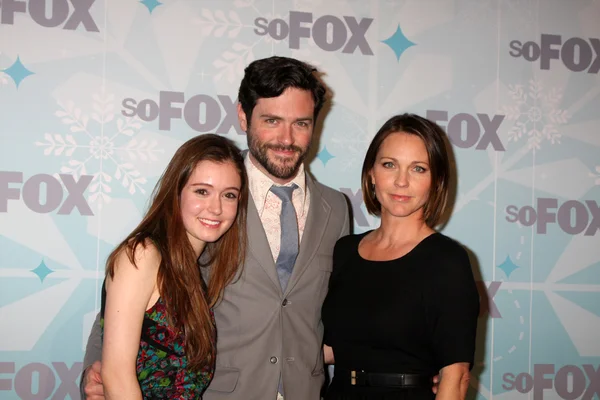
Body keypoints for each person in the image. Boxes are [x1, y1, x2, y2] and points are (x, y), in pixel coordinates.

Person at [81, 56, 351, 400]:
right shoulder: (209, 196)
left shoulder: (337, 208)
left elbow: (343, 314)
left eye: (301, 123)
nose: (287, 138)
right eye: (272, 120)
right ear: (243, 116)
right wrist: (96, 371)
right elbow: (126, 303)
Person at [321, 114, 480, 399]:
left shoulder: (447, 261)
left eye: (418, 169)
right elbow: (331, 350)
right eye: (389, 165)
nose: (401, 181)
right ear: (371, 173)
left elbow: (455, 378)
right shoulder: (344, 251)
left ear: (436, 180)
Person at [98, 134, 248, 399]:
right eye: (202, 191)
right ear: (175, 192)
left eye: (229, 195)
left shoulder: (193, 270)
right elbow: (117, 376)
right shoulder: (142, 255)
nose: (216, 208)